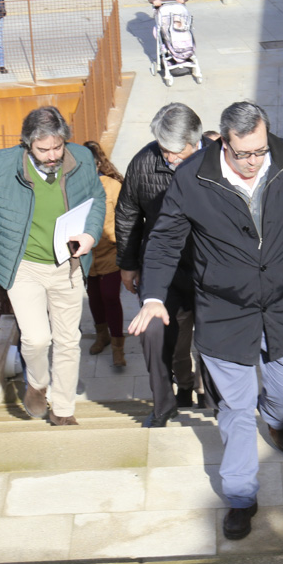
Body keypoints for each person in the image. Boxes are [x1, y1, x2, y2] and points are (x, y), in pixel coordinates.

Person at [128, 101, 283, 541]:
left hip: (281, 303)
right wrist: (154, 295)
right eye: (243, 154)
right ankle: (240, 497)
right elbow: (163, 242)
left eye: (259, 150)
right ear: (223, 143)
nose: (253, 161)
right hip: (223, 312)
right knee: (235, 409)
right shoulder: (192, 177)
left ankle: (275, 417)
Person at [0, 107, 105, 426]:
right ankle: (38, 384)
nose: (53, 155)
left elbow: (96, 199)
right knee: (37, 338)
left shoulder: (81, 158)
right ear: (27, 145)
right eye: (44, 150)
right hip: (22, 265)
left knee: (69, 339)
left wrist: (91, 234)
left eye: (58, 147)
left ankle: (64, 409)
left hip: (69, 264)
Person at [115, 104, 204, 426]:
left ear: (196, 142)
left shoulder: (218, 162)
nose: (169, 158)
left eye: (177, 153)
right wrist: (127, 263)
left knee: (212, 335)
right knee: (154, 334)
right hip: (162, 268)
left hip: (210, 268)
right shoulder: (143, 163)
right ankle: (164, 403)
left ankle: (212, 397)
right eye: (164, 151)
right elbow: (127, 215)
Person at [83, 141, 127, 368]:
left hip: (111, 251)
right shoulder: (74, 187)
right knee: (94, 297)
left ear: (98, 164)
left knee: (110, 296)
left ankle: (119, 347)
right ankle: (102, 336)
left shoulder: (112, 185)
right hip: (87, 254)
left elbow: (125, 218)